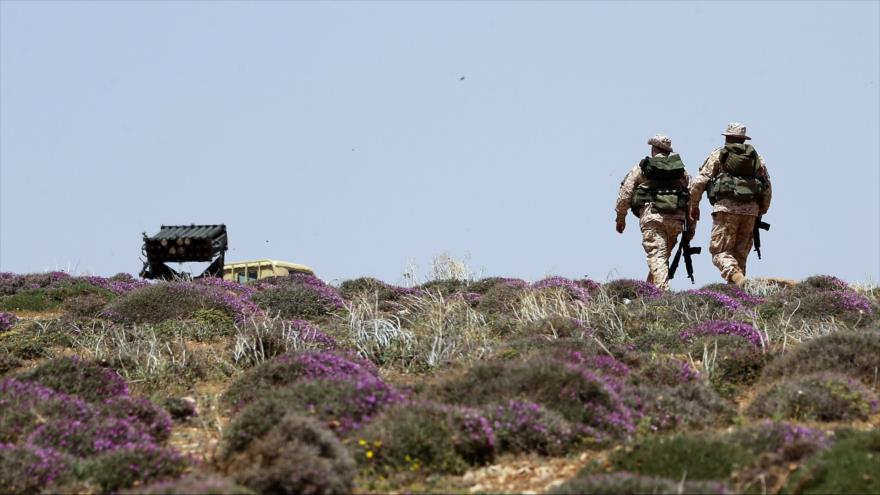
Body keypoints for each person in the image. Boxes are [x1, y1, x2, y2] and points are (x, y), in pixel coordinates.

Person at [689, 123, 772, 286]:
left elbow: (700, 181)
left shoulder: (719, 154)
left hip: (726, 209)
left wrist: (694, 205)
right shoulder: (757, 158)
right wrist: (761, 209)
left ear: (727, 137)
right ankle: (738, 296)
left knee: (720, 252)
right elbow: (767, 186)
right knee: (740, 256)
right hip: (751, 212)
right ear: (743, 139)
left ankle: (738, 278)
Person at [615, 134, 694, 291]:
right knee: (661, 258)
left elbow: (625, 193)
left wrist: (620, 218)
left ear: (653, 149)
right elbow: (691, 197)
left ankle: (663, 296)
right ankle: (648, 293)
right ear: (668, 151)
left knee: (657, 257)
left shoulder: (643, 167)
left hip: (653, 217)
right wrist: (691, 228)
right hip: (676, 219)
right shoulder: (681, 171)